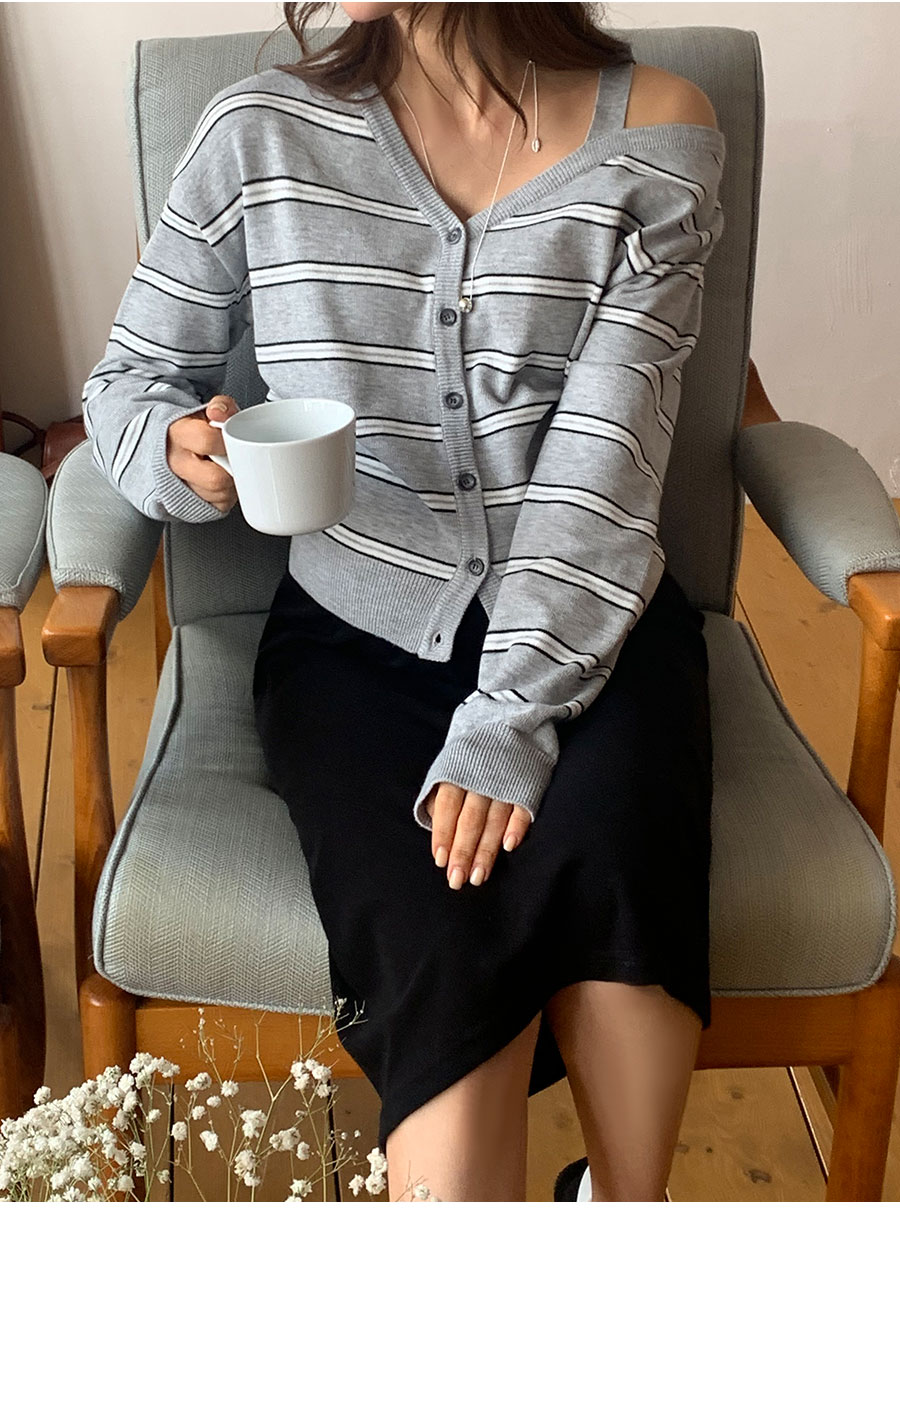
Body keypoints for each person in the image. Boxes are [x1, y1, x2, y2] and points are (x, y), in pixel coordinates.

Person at [82, 2, 726, 1201]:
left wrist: (510, 720)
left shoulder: (658, 133)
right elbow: (129, 378)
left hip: (596, 623)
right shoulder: (257, 132)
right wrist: (172, 450)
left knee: (617, 894)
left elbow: (604, 468)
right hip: (350, 641)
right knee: (441, 966)